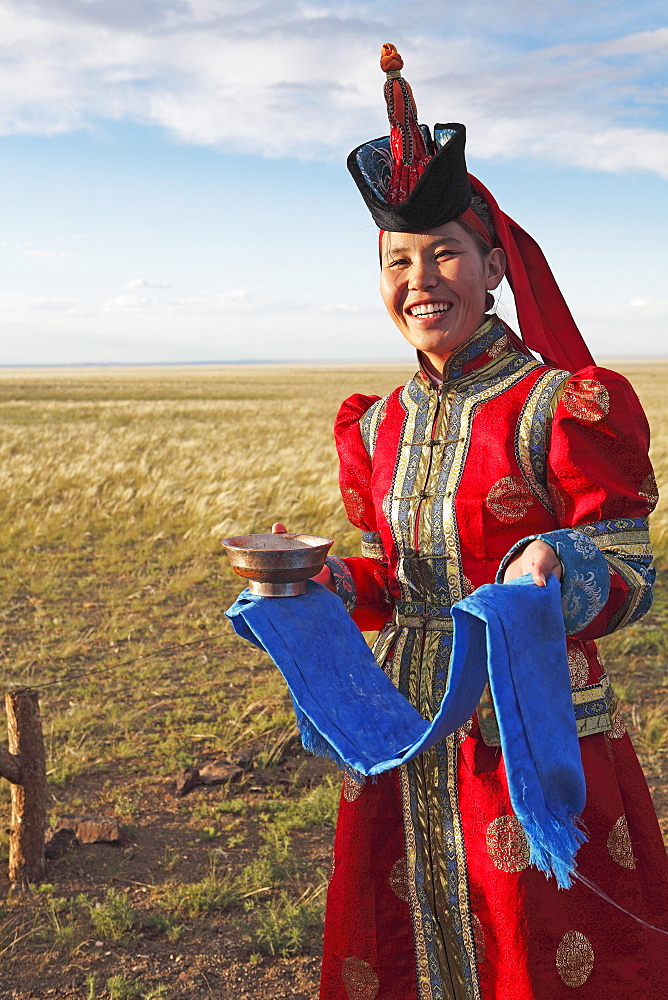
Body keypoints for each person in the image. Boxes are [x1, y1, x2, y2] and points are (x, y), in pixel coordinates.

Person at [275, 44, 668, 1000]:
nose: (423, 278)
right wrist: (316, 582)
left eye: (446, 251)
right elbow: (391, 577)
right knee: (408, 949)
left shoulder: (562, 405)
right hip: (402, 733)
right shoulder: (377, 425)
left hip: (528, 733)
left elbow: (629, 574)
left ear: (494, 265)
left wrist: (558, 566)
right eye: (398, 259)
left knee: (537, 956)